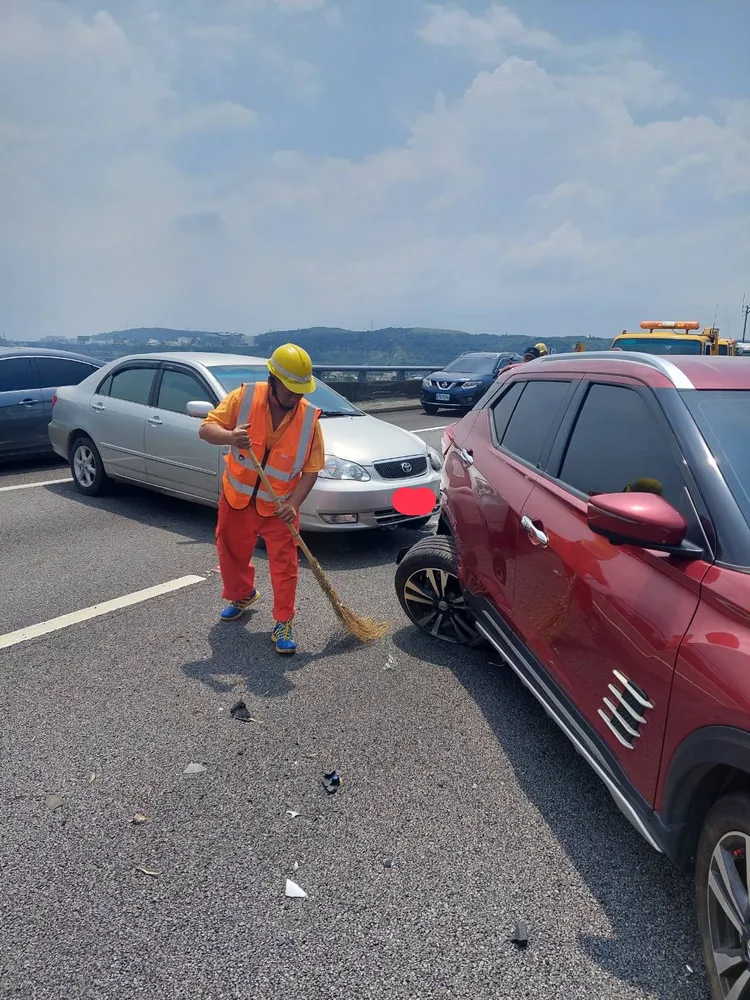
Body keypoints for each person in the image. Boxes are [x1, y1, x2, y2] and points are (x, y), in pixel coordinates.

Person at [198, 344, 324, 655]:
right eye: (290, 390)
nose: (295, 397)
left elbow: (311, 470)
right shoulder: (244, 398)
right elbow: (206, 429)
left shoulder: (309, 419)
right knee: (230, 553)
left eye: (300, 391)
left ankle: (283, 621)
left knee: (285, 567)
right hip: (237, 500)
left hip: (280, 508)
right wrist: (230, 436)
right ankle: (242, 594)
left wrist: (293, 504)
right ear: (273, 380)